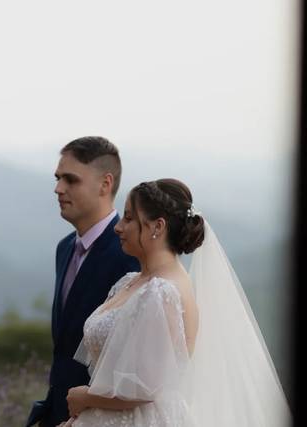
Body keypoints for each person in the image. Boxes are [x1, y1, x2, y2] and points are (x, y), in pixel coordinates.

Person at [62, 179, 292, 427]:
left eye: (128, 218)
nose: (118, 227)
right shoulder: (133, 282)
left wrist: (84, 396)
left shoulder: (162, 292)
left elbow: (144, 388)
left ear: (157, 227)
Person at [26, 137, 139, 427]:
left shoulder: (130, 256)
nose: (58, 188)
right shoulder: (64, 248)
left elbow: (134, 363)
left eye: (70, 180)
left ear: (105, 184)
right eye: (57, 178)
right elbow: (64, 350)